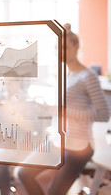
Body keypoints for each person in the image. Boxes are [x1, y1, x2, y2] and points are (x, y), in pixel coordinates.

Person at [17, 23, 110, 195]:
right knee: (23, 173)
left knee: (54, 192)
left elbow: (103, 114)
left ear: (76, 47)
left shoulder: (88, 76)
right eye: (57, 48)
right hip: (57, 140)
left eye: (65, 47)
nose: (61, 52)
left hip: (78, 147)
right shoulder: (66, 75)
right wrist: (46, 108)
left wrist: (64, 112)